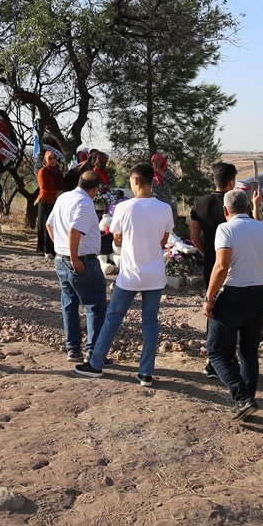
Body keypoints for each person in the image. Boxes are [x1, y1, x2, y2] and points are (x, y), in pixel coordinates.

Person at [73, 162, 174, 384]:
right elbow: (164, 241)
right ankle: (146, 372)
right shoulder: (165, 208)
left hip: (129, 274)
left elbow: (116, 238)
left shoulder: (124, 208)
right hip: (154, 274)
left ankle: (96, 363)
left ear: (135, 180)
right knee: (150, 322)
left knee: (113, 318)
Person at [202, 188, 263, 421]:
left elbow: (221, 266)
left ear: (225, 210)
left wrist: (209, 297)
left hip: (232, 296)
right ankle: (247, 399)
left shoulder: (225, 229)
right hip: (257, 295)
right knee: (248, 352)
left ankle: (242, 397)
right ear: (248, 207)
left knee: (216, 353)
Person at [47, 170, 108, 364]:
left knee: (69, 304)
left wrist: (60, 247)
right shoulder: (85, 203)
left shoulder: (64, 197)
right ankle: (94, 352)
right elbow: (75, 231)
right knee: (95, 306)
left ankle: (73, 349)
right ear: (95, 189)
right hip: (80, 260)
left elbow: (49, 224)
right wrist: (74, 257)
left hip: (62, 259)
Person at [190, 162, 238, 379]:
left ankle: (213, 360)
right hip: (235, 263)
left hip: (212, 262)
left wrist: (207, 252)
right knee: (233, 312)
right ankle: (230, 358)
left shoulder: (200, 203)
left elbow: (193, 236)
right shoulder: (236, 204)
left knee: (212, 311)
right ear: (231, 181)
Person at [35, 150, 64, 259]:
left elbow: (63, 184)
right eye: (50, 158)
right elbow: (44, 187)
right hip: (45, 200)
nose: (52, 161)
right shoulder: (43, 171)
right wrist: (56, 193)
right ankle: (45, 249)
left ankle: (54, 248)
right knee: (45, 224)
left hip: (56, 201)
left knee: (54, 225)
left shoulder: (57, 171)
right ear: (46, 160)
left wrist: (62, 191)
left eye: (54, 158)